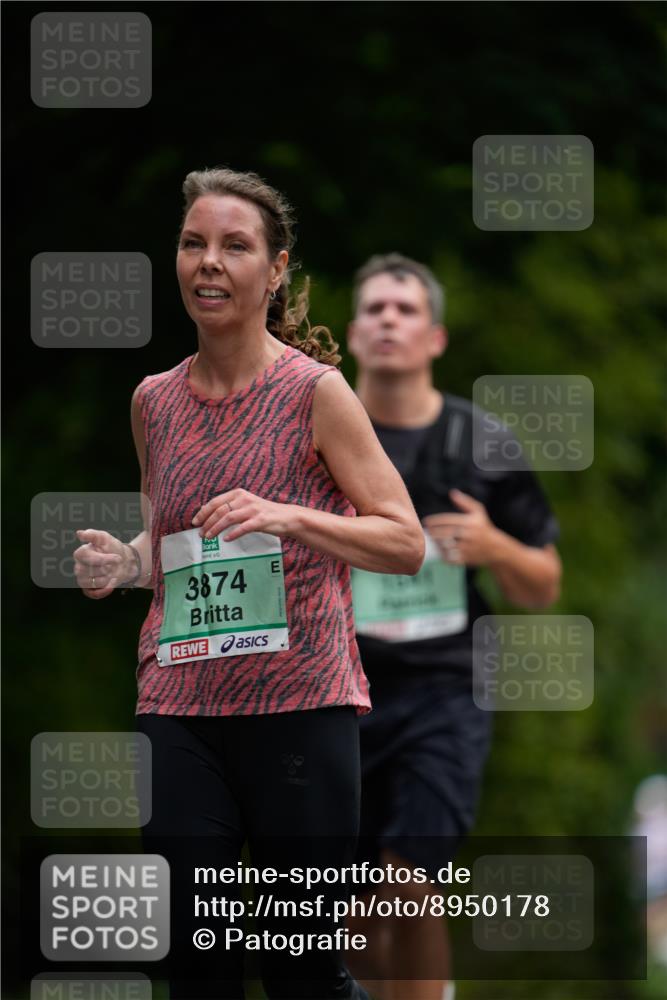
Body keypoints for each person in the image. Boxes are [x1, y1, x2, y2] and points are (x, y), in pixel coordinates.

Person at [72, 171, 425, 1000]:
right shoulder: (152, 401)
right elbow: (175, 543)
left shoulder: (315, 394)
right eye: (194, 243)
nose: (209, 262)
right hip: (180, 709)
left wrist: (290, 517)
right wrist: (122, 564)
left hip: (300, 710)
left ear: (275, 270)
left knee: (298, 969)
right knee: (195, 958)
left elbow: (403, 541)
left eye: (235, 246)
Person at [344, 254, 562, 1000]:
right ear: (349, 332)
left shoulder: (482, 443)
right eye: (373, 308)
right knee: (348, 929)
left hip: (446, 688)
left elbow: (542, 585)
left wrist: (495, 546)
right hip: (338, 690)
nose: (387, 321)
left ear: (434, 337)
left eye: (404, 310)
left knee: (410, 880)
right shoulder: (316, 437)